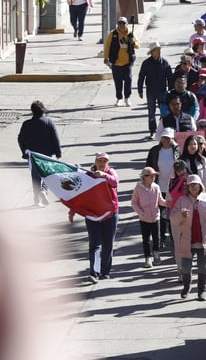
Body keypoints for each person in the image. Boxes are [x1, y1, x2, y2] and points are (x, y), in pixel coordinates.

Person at [69, 152, 119, 284]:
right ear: (95, 162)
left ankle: (105, 271)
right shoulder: (88, 176)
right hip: (93, 214)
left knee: (108, 244)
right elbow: (80, 195)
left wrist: (105, 176)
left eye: (105, 161)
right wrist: (72, 210)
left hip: (110, 213)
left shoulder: (111, 172)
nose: (102, 163)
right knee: (95, 245)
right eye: (100, 161)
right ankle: (94, 272)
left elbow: (115, 182)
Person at [171, 174, 206, 300]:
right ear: (187, 187)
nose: (194, 187)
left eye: (196, 185)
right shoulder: (181, 201)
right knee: (186, 268)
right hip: (187, 240)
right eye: (191, 185)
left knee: (202, 268)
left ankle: (201, 291)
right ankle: (186, 287)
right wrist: (181, 215)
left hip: (204, 240)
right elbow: (174, 219)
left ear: (200, 186)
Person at [17, 100, 62, 206]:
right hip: (46, 155)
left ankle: (36, 199)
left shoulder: (27, 124)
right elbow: (55, 138)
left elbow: (20, 139)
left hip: (33, 155)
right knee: (47, 174)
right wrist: (58, 152)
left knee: (35, 177)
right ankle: (44, 191)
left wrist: (24, 151)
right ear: (43, 110)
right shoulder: (49, 122)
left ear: (32, 111)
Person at [145, 127, 180, 246]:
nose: (165, 140)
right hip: (159, 186)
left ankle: (173, 236)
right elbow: (148, 167)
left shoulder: (177, 151)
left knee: (173, 212)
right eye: (164, 138)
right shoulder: (154, 151)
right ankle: (162, 238)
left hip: (174, 187)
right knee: (160, 213)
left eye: (168, 138)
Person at [131, 167, 167, 268]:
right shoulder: (138, 188)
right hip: (144, 218)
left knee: (157, 238)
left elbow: (160, 200)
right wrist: (140, 213)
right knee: (146, 239)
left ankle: (156, 254)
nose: (153, 178)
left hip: (156, 217)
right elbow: (134, 202)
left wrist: (169, 204)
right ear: (144, 177)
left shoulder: (156, 187)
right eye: (151, 176)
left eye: (154, 176)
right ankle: (148, 258)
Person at [137, 42, 173, 139]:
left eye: (159, 49)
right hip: (151, 91)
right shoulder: (146, 63)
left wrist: (171, 91)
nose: (159, 51)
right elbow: (141, 77)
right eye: (157, 50)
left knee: (164, 112)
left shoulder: (165, 63)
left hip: (162, 91)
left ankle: (164, 131)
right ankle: (152, 131)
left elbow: (170, 78)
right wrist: (140, 90)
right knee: (151, 112)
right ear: (153, 52)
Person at [103, 17, 139, 107]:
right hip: (116, 62)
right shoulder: (113, 34)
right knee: (118, 82)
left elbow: (138, 46)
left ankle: (127, 98)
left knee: (128, 80)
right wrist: (106, 57)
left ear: (127, 24)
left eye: (123, 23)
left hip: (128, 62)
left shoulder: (130, 34)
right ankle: (119, 98)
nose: (121, 25)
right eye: (120, 23)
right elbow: (107, 46)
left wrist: (133, 42)